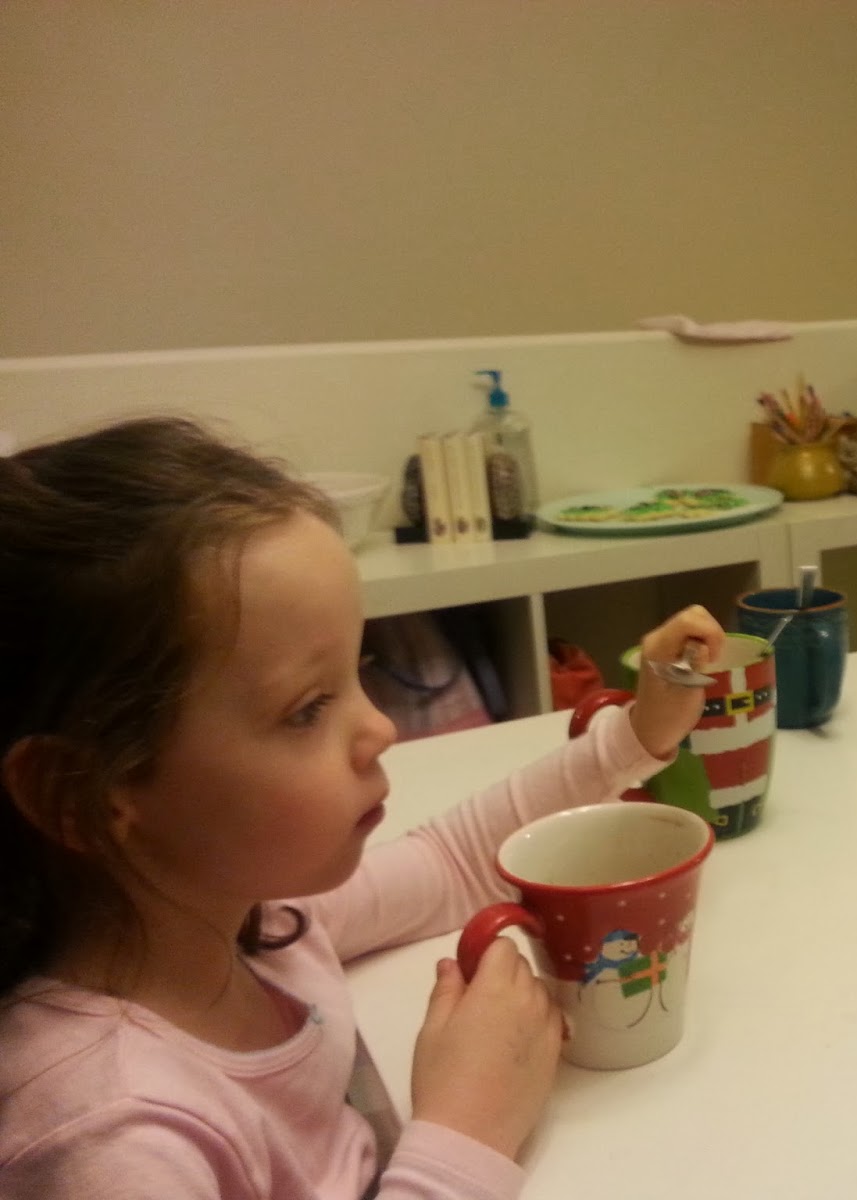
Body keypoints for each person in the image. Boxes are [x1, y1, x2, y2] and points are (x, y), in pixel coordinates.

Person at [0, 417, 726, 1198]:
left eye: (361, 670)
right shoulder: (108, 1143)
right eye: (308, 708)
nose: (380, 726)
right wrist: (467, 1127)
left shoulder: (252, 929)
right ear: (81, 795)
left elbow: (452, 861)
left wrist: (637, 736)